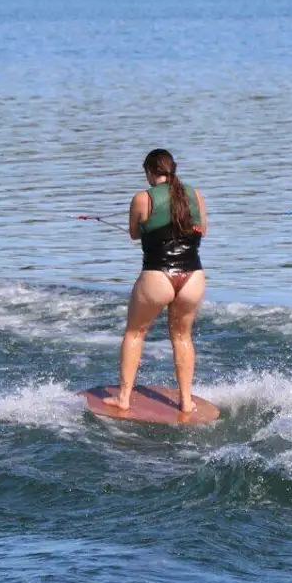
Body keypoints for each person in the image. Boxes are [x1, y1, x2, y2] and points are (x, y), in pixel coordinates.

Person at [106, 148, 209, 415]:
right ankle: (186, 401)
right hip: (193, 277)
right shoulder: (195, 194)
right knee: (182, 336)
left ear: (151, 172)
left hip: (157, 276)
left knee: (135, 333)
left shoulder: (143, 198)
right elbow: (203, 230)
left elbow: (132, 233)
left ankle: (124, 398)